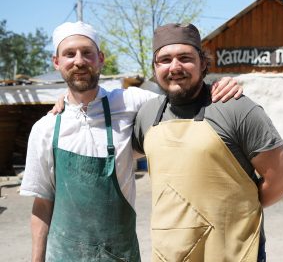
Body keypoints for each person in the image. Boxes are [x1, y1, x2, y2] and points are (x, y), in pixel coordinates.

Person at [20, 21, 242, 262]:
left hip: (119, 255)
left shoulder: (131, 102)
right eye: (69, 54)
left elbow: (180, 93)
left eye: (87, 53)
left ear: (101, 58)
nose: (79, 61)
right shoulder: (45, 128)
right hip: (63, 256)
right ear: (57, 62)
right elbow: (42, 204)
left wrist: (216, 86)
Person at [132, 23, 283, 262]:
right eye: (165, 60)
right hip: (171, 253)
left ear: (202, 63)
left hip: (233, 252)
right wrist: (69, 101)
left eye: (185, 58)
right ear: (155, 68)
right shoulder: (147, 114)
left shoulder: (236, 108)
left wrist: (239, 211)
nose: (175, 67)